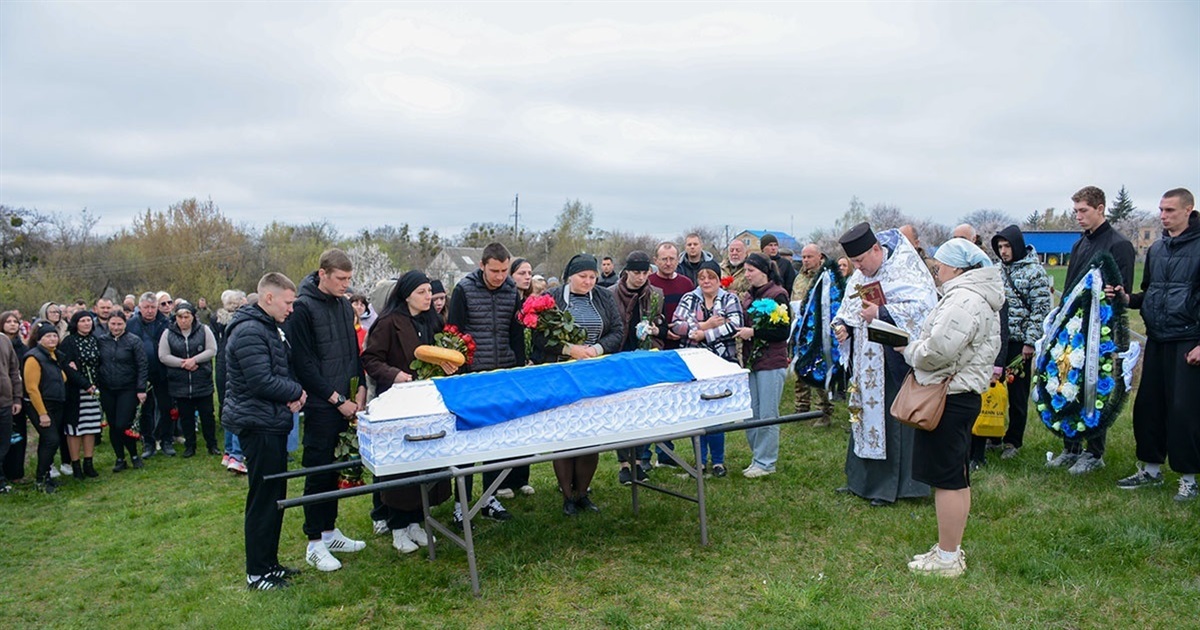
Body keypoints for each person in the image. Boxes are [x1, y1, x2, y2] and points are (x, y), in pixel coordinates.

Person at [898, 238, 1003, 577]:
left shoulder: (964, 299)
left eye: (940, 265)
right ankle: (950, 548)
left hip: (950, 396)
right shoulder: (972, 295)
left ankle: (947, 559)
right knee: (956, 476)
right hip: (959, 394)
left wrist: (908, 349)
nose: (936, 271)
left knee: (948, 480)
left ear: (957, 268)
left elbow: (938, 351)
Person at [833, 222, 938, 506]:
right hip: (865, 361)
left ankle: (893, 488)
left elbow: (923, 308)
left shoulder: (905, 269)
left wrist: (881, 312)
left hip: (893, 363)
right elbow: (848, 310)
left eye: (860, 260)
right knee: (863, 418)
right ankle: (861, 482)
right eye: (854, 262)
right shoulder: (860, 274)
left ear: (876, 250)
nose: (857, 268)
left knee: (892, 423)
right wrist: (843, 327)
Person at [1114, 188, 1200, 502]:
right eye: (1161, 210)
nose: (1163, 216)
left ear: (1189, 210)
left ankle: (1189, 478)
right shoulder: (1157, 249)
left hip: (1188, 339)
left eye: (1170, 210)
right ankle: (1151, 470)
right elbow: (1150, 291)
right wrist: (1127, 298)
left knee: (1184, 411)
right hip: (1158, 338)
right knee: (1148, 407)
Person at [361, 270, 457, 553]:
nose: (429, 297)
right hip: (397, 403)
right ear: (406, 295)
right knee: (399, 466)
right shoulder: (388, 323)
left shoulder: (432, 321)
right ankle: (397, 526)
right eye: (422, 292)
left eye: (429, 292)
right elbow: (371, 359)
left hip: (426, 402)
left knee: (423, 460)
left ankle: (416, 521)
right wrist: (394, 375)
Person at [222, 272, 307, 590]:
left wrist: (294, 391)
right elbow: (261, 380)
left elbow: (279, 369)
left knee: (275, 497)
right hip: (257, 425)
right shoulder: (249, 331)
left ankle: (270, 564)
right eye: (288, 302)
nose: (291, 309)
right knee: (263, 499)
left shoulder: (267, 326)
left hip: (270, 421)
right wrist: (297, 392)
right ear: (268, 298)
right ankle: (257, 573)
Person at [286, 248, 368, 572]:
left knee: (335, 469)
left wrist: (360, 387)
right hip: (322, 405)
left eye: (349, 279)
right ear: (322, 273)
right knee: (317, 471)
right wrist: (336, 399)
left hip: (347, 399)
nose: (346, 284)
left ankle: (330, 532)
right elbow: (304, 364)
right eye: (340, 278)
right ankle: (314, 542)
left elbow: (353, 352)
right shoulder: (302, 308)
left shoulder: (344, 305)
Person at [1045, 186, 1136, 474]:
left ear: (1100, 208)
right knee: (1067, 381)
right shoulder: (1079, 244)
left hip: (1101, 330)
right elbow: (1071, 285)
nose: (1078, 216)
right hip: (1073, 327)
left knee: (1093, 386)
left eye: (1083, 210)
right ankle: (1071, 446)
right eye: (1075, 211)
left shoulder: (1119, 245)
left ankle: (1094, 452)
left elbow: (1121, 290)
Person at [532, 254, 623, 514]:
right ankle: (567, 496)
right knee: (564, 435)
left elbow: (617, 330)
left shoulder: (604, 297)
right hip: (560, 374)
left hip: (593, 374)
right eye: (583, 276)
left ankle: (583, 493)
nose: (588, 281)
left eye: (593, 277)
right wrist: (569, 349)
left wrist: (596, 349)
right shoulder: (552, 298)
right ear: (570, 276)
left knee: (589, 436)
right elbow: (539, 336)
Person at [446, 242, 526, 525]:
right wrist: (460, 372)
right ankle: (462, 502)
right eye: (494, 271)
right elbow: (454, 332)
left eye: (504, 270)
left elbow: (516, 333)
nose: (500, 276)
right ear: (482, 266)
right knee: (468, 443)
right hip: (472, 376)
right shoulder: (464, 290)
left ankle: (490, 497)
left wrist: (518, 368)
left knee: (496, 441)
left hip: (503, 373)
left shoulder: (511, 292)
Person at [672, 259, 742, 477]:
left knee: (716, 413)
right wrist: (706, 325)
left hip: (721, 361)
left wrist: (704, 334)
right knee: (698, 412)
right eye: (702, 277)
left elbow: (734, 324)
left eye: (711, 277)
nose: (706, 281)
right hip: (694, 362)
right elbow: (676, 325)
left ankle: (718, 461)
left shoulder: (729, 298)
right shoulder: (689, 298)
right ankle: (700, 462)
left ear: (719, 279)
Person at [989, 225, 1052, 460]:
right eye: (1000, 247)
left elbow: (1041, 309)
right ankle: (992, 433)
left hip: (1020, 342)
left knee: (1017, 394)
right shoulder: (996, 270)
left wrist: (1030, 342)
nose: (1003, 251)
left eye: (1007, 246)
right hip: (998, 341)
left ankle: (1013, 440)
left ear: (1016, 245)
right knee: (993, 389)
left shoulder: (1035, 272)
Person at [609, 251, 665, 484]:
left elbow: (662, 324)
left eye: (644, 272)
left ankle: (640, 460)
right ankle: (624, 464)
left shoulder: (656, 294)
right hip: (619, 357)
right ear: (626, 272)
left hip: (645, 357)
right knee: (622, 413)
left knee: (644, 411)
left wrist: (655, 330)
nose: (641, 277)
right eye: (636, 272)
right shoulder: (611, 294)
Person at [734, 253, 791, 478]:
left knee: (767, 413)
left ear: (764, 272)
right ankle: (757, 457)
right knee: (752, 413)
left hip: (771, 362)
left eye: (751, 271)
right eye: (745, 271)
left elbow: (782, 331)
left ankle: (766, 462)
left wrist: (754, 332)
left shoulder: (778, 295)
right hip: (752, 362)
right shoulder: (749, 296)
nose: (747, 275)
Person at [489, 257, 537, 500]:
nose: (527, 277)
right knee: (503, 428)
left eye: (529, 273)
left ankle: (521, 477)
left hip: (528, 369)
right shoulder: (504, 299)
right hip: (506, 366)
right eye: (521, 273)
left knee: (523, 426)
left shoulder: (534, 302)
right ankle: (502, 480)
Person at [647, 242, 694, 467]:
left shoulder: (686, 284)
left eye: (672, 258)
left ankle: (667, 454)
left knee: (673, 402)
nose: (668, 263)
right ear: (656, 260)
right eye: (664, 259)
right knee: (652, 400)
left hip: (681, 347)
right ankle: (646, 455)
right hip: (655, 346)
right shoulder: (649, 283)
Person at [158, 302, 219, 458]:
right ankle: (190, 446)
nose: (183, 320)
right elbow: (163, 355)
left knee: (207, 415)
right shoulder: (168, 333)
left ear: (193, 317)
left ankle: (212, 444)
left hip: (201, 380)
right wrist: (183, 363)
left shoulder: (204, 330)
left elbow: (212, 349)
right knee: (186, 416)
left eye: (187, 317)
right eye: (180, 317)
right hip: (180, 382)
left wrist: (195, 360)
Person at [96, 313, 147, 472]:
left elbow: (142, 365)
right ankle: (120, 458)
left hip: (128, 388)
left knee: (122, 424)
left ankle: (134, 455)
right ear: (108, 324)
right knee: (113, 425)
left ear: (125, 324)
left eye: (119, 324)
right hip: (107, 388)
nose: (116, 327)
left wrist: (141, 389)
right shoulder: (101, 341)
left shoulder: (134, 341)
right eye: (113, 324)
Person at [791, 243, 834, 425]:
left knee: (818, 369)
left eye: (809, 257)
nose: (806, 260)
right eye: (803, 257)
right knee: (799, 367)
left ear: (819, 257)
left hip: (818, 331)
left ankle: (823, 411)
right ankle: (801, 406)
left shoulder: (827, 277)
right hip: (800, 329)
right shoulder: (799, 278)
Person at [127, 291, 173, 458]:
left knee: (166, 407)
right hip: (141, 373)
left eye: (153, 307)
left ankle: (166, 439)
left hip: (162, 371)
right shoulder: (131, 324)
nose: (150, 311)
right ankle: (148, 441)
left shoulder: (166, 323)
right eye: (146, 307)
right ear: (140, 307)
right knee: (146, 409)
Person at [57, 311, 103, 479]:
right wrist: (85, 384)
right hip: (75, 392)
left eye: (88, 320)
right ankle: (75, 465)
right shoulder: (69, 342)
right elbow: (67, 368)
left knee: (90, 427)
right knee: (75, 429)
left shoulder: (95, 340)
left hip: (93, 392)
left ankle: (88, 463)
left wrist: (94, 385)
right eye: (82, 321)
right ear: (75, 323)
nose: (86, 323)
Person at [23, 322, 67, 493]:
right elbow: (32, 389)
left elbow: (62, 378)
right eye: (48, 336)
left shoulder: (54, 355)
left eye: (54, 336)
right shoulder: (33, 358)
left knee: (47, 441)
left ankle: (46, 476)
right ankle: (40, 479)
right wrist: (42, 413)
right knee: (51, 440)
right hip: (40, 404)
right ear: (39, 339)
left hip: (56, 403)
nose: (52, 339)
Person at [212, 289, 247, 473]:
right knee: (239, 408)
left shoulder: (218, 321)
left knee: (229, 406)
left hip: (223, 364)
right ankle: (236, 454)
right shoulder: (240, 323)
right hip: (234, 366)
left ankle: (228, 451)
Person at [2, 311, 30, 484]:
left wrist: (18, 397)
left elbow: (15, 372)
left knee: (13, 437)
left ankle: (14, 473)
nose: (12, 324)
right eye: (8, 321)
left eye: (15, 321)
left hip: (12, 398)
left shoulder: (15, 346)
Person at [0, 328, 22, 494]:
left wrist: (17, 398)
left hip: (5, 402)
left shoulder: (4, 340)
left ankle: (1, 480)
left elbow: (14, 371)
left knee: (4, 443)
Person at [760, 233, 797, 299]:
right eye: (770, 245)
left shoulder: (785, 263)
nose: (773, 248)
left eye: (775, 245)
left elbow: (790, 285)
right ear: (763, 248)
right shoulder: (758, 263)